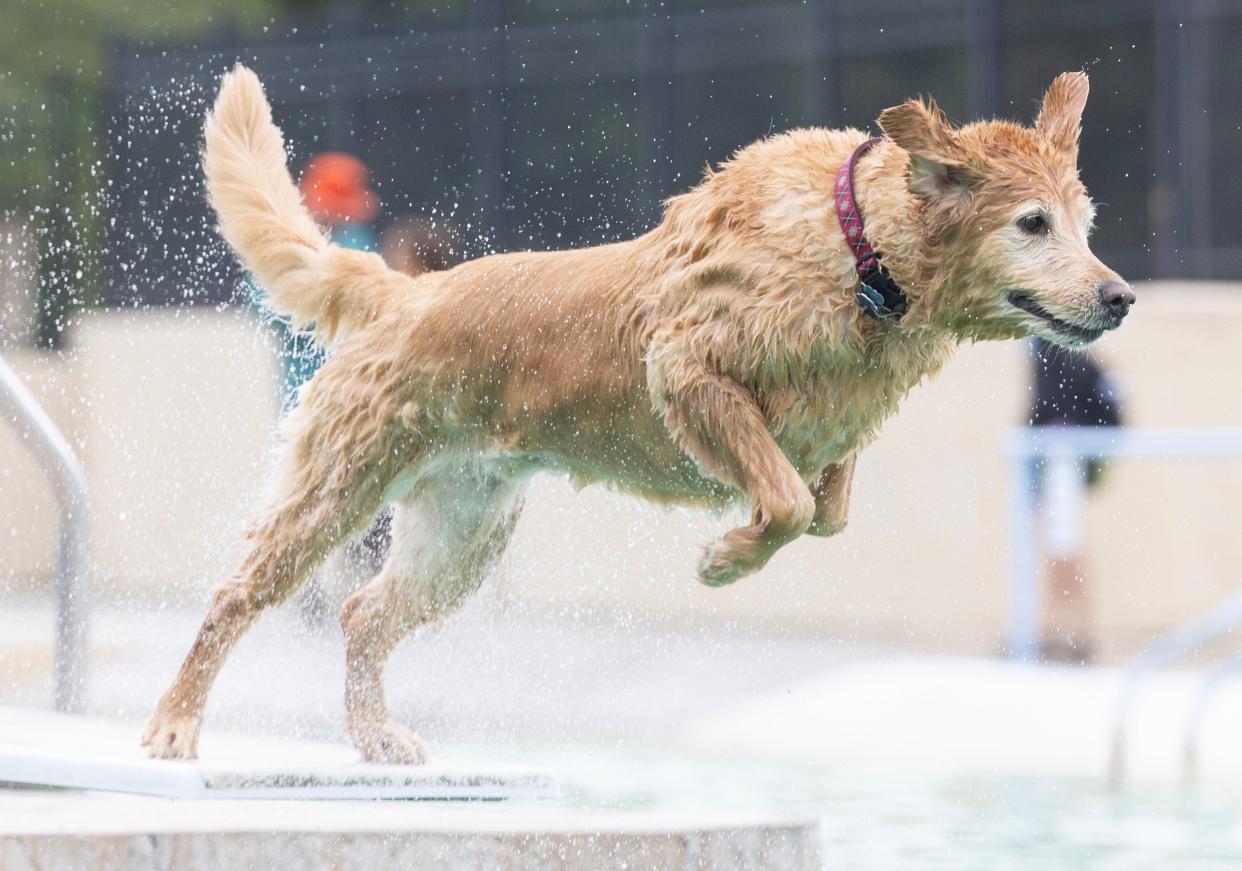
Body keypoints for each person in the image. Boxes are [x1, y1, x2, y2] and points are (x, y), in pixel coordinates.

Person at [1028, 338, 1123, 664]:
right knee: (1060, 545)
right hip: (1053, 455)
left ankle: (1068, 635)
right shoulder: (1057, 352)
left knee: (1064, 548)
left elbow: (1054, 404)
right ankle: (1060, 632)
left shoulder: (1061, 352)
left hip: (1060, 456)